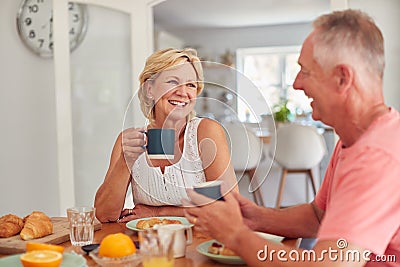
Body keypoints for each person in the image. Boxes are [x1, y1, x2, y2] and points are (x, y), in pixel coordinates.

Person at [184, 9, 400, 267]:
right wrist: (253, 216)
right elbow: (318, 217)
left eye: (305, 71)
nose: (297, 84)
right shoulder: (354, 138)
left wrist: (234, 234)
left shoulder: (379, 155)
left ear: (342, 78)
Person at [95, 48, 237, 223]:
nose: (183, 92)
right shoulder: (129, 141)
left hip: (199, 242)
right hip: (148, 244)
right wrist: (125, 162)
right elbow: (104, 215)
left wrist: (159, 213)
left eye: (191, 85)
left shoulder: (205, 132)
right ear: (149, 89)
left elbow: (229, 206)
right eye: (172, 81)